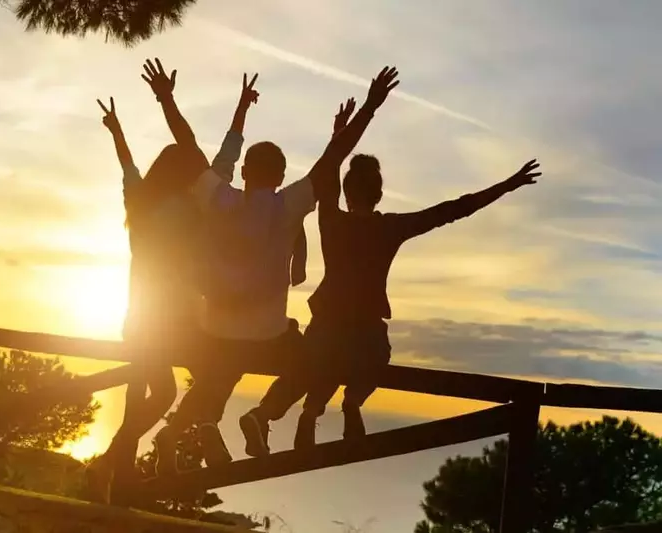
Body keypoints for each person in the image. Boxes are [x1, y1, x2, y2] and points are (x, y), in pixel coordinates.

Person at [139, 58, 400, 474]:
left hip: (217, 332)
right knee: (314, 359)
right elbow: (335, 157)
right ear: (280, 177)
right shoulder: (289, 205)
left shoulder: (219, 198)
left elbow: (187, 147)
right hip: (266, 337)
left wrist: (165, 98)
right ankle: (261, 416)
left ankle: (173, 435)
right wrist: (370, 105)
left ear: (244, 172)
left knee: (216, 376)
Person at [241, 137, 543, 452]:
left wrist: (340, 134)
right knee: (374, 357)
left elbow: (327, 173)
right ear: (379, 195)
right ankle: (351, 404)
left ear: (347, 193)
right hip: (365, 330)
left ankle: (273, 413)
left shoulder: (331, 220)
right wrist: (506, 186)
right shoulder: (390, 228)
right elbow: (453, 210)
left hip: (327, 323)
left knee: (311, 364)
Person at [84, 86, 252, 503]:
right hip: (179, 321)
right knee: (214, 371)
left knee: (147, 391)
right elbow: (223, 164)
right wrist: (240, 111)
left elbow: (128, 168)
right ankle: (121, 462)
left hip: (139, 318)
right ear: (185, 177)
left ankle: (113, 466)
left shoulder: (139, 204)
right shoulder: (197, 209)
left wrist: (117, 131)